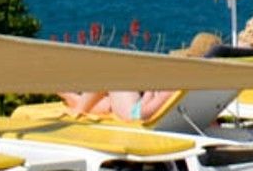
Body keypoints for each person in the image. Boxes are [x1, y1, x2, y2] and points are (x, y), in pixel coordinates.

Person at [60, 34, 219, 123]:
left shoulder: (174, 86)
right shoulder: (213, 85)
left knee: (111, 75)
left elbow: (144, 113)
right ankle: (70, 96)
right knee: (108, 105)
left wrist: (150, 90)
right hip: (151, 114)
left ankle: (77, 109)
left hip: (134, 114)